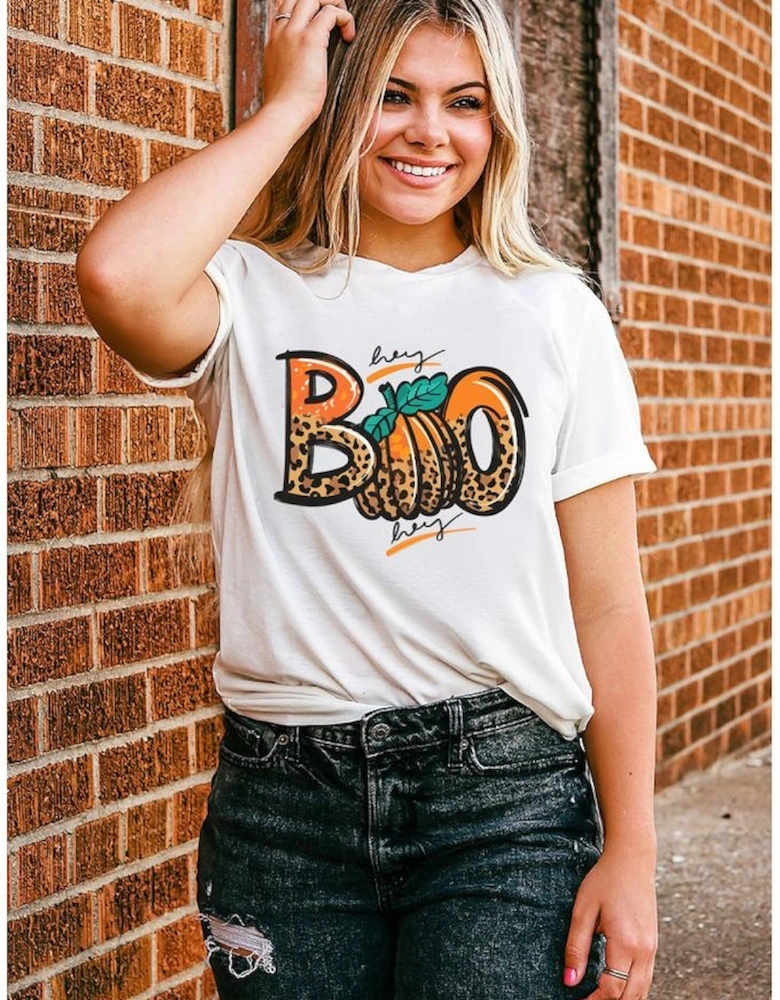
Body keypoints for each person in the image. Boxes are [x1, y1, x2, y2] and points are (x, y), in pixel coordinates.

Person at [76, 0, 659, 997]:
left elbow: (608, 601)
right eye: (393, 95)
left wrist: (634, 853)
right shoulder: (248, 291)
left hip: (503, 799)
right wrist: (285, 105)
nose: (430, 130)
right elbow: (117, 274)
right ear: (344, 111)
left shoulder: (556, 312)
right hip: (282, 809)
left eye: (465, 102)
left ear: (500, 125)